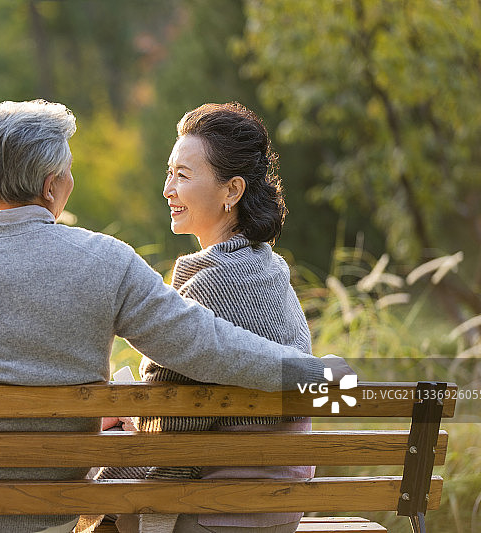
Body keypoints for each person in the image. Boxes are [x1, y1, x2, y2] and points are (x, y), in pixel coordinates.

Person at [0, 100, 352, 533]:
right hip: (52, 520)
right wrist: (318, 375)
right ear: (51, 186)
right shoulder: (105, 261)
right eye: (67, 171)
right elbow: (211, 347)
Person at [102, 102, 316, 533]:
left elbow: (172, 431)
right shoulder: (270, 268)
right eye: (169, 173)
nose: (167, 189)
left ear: (231, 191)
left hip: (220, 511)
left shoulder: (209, 287)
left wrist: (122, 426)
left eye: (182, 175)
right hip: (280, 508)